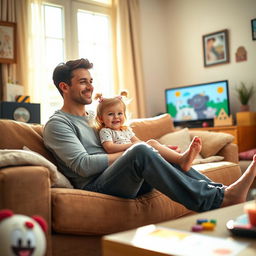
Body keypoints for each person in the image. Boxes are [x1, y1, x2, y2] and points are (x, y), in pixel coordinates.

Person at [43, 58, 256, 213]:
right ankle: (220, 199)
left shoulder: (96, 116)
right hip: (96, 185)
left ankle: (222, 192)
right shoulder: (58, 124)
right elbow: (84, 165)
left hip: (126, 177)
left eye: (90, 80)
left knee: (149, 150)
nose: (90, 86)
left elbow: (124, 135)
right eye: (83, 82)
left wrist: (145, 149)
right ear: (64, 87)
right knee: (142, 150)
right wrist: (134, 151)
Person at [94, 91, 201, 172]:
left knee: (151, 143)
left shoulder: (126, 130)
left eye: (120, 113)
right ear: (101, 118)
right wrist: (132, 145)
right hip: (123, 162)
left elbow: (140, 143)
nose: (116, 117)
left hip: (136, 155)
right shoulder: (105, 131)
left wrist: (159, 147)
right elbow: (110, 148)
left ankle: (179, 159)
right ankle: (180, 159)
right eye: (110, 114)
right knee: (150, 144)